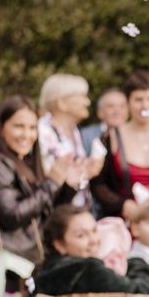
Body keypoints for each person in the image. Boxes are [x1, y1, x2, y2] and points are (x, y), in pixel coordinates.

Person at [0, 96, 80, 296]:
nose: (27, 134)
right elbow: (12, 214)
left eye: (32, 128)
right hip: (11, 268)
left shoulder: (29, 165)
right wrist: (52, 183)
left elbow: (48, 216)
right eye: (19, 126)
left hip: (35, 265)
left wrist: (67, 186)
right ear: (2, 128)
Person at [90, 69, 149, 245]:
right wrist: (124, 206)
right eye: (138, 100)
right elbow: (97, 184)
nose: (145, 106)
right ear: (128, 102)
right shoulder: (110, 137)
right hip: (125, 227)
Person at [37, 74, 104, 208]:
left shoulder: (73, 131)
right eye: (82, 97)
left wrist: (87, 171)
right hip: (54, 213)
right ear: (62, 103)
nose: (88, 102)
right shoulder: (42, 131)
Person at [80, 88, 128, 157]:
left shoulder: (137, 134)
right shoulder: (85, 135)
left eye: (122, 106)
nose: (117, 111)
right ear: (100, 112)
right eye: (110, 106)